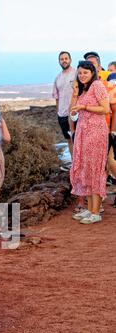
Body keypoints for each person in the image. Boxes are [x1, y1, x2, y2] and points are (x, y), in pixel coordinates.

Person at [70, 61, 110, 224]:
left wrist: (84, 107)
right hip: (84, 133)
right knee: (86, 169)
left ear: (92, 72)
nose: (82, 75)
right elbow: (72, 111)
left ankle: (96, 212)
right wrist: (74, 93)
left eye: (85, 72)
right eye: (80, 73)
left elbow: (106, 109)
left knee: (95, 170)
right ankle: (90, 209)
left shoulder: (97, 86)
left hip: (96, 133)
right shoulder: (84, 89)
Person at [52, 51, 77, 157]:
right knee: (69, 141)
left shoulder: (76, 73)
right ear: (59, 61)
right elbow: (56, 98)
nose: (64, 61)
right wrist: (58, 113)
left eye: (66, 58)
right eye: (62, 59)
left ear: (70, 60)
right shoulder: (57, 78)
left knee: (78, 140)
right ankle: (74, 165)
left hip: (75, 113)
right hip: (62, 115)